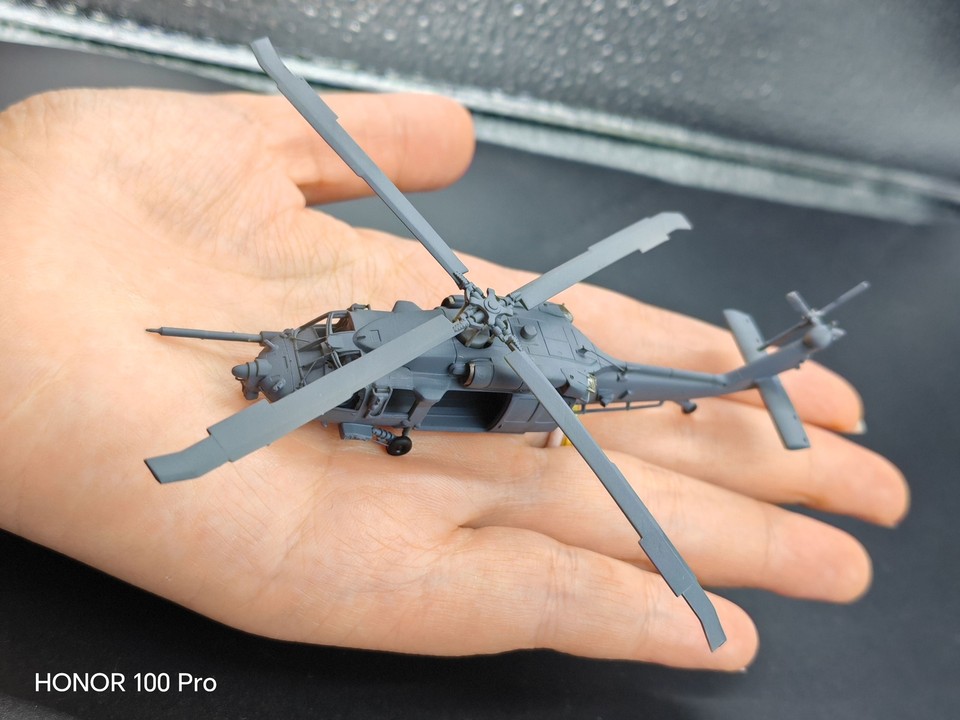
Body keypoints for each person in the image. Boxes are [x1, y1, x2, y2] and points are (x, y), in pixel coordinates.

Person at [0, 88, 908, 671]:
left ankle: (759, 376)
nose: (296, 358)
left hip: (552, 371)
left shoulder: (434, 381)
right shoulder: (365, 339)